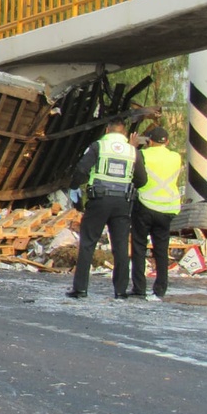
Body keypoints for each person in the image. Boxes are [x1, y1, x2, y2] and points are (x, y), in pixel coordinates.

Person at [66, 117, 148, 299]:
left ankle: (80, 289)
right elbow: (142, 180)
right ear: (124, 133)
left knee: (88, 243)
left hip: (99, 200)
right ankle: (120, 291)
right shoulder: (133, 151)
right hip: (122, 203)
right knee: (120, 246)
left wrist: (74, 187)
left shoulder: (98, 147)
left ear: (107, 131)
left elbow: (81, 170)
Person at [131, 125, 182, 299]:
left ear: (149, 141)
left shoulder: (143, 154)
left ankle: (139, 288)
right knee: (161, 249)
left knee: (139, 246)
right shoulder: (176, 157)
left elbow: (136, 171)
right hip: (168, 208)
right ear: (167, 141)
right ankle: (160, 288)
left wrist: (136, 146)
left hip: (145, 205)